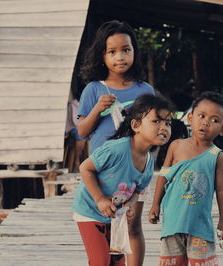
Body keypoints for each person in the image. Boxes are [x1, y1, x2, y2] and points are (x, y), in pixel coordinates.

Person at [77, 20, 155, 265]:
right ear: (102, 55)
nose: (120, 56)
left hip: (133, 171)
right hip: (102, 171)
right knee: (102, 229)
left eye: (126, 50)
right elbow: (82, 132)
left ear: (134, 52)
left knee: (131, 225)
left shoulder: (145, 90)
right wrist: (97, 110)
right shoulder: (94, 89)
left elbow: (154, 130)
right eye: (112, 52)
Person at [73, 94, 173, 266]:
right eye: (156, 121)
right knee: (100, 261)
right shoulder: (117, 149)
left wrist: (130, 206)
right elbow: (85, 168)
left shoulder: (148, 162)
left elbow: (137, 190)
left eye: (168, 123)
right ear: (136, 125)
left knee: (118, 261)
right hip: (90, 210)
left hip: (115, 216)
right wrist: (100, 199)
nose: (163, 127)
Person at [149, 91, 223, 266]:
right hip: (173, 223)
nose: (206, 122)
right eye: (201, 116)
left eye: (215, 120)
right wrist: (155, 204)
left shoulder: (217, 156)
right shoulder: (176, 146)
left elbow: (222, 191)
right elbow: (163, 177)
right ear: (190, 118)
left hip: (200, 227)